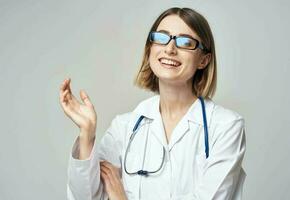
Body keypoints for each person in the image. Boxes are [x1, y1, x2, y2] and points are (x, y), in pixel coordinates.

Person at [59, 7, 246, 200]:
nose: (170, 49)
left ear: (204, 60)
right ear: (150, 49)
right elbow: (86, 197)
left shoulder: (226, 127)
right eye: (161, 37)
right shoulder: (125, 127)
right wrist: (87, 135)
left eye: (185, 42)